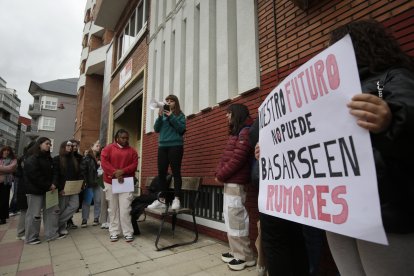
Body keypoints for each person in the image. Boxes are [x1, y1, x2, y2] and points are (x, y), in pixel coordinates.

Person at [325, 19, 414, 276]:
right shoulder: (333, 92)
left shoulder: (392, 78)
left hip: (385, 212)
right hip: (339, 209)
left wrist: (390, 119)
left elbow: (407, 115)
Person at [215, 103, 256, 271]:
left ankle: (246, 257)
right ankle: (235, 251)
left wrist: (221, 174)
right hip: (230, 181)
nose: (226, 116)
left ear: (236, 114)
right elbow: (227, 156)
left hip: (236, 182)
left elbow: (237, 159)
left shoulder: (245, 132)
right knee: (231, 218)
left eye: (229, 113)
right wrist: (219, 172)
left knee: (237, 220)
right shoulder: (237, 132)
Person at [147, 94, 186, 210]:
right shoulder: (163, 115)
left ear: (176, 103)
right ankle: (162, 200)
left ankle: (177, 199)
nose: (168, 102)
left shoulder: (180, 115)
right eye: (167, 101)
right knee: (161, 174)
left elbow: (181, 129)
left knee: (176, 172)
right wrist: (159, 117)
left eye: (171, 101)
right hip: (162, 147)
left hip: (176, 146)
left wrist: (171, 117)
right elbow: (156, 129)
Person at [100, 129, 138, 242]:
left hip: (126, 183)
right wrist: (115, 173)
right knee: (113, 208)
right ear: (117, 138)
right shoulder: (108, 148)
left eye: (127, 138)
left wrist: (122, 171)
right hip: (110, 182)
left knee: (125, 208)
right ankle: (114, 231)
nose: (125, 140)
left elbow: (134, 165)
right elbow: (104, 163)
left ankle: (127, 232)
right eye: (123, 138)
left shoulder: (132, 151)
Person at [24, 137, 61, 244]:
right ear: (39, 144)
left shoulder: (49, 158)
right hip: (35, 191)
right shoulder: (32, 158)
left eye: (50, 144)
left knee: (52, 213)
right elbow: (34, 176)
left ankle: (51, 234)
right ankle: (31, 238)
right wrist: (49, 185)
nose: (49, 145)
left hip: (50, 190)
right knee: (34, 215)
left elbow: (55, 172)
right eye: (47, 143)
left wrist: (54, 183)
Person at [53, 140, 82, 236]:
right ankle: (61, 227)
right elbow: (56, 174)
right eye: (68, 146)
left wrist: (80, 184)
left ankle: (56, 224)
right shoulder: (57, 159)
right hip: (63, 188)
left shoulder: (74, 159)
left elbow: (77, 173)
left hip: (73, 187)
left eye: (71, 146)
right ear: (63, 147)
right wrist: (60, 188)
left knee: (74, 205)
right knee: (62, 208)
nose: (71, 147)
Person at [15, 141, 36, 240]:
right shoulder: (26, 159)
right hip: (24, 187)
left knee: (28, 211)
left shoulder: (27, 158)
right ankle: (21, 232)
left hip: (27, 187)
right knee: (25, 211)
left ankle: (25, 231)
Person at [80, 140, 102, 227]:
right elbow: (83, 171)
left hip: (99, 182)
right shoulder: (87, 158)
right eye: (97, 145)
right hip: (89, 183)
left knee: (98, 201)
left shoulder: (101, 157)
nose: (99, 146)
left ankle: (96, 218)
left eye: (99, 145)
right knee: (87, 201)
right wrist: (84, 182)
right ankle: (84, 219)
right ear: (92, 147)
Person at [67, 139, 83, 229]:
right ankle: (67, 221)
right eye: (73, 145)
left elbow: (82, 171)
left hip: (77, 183)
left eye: (76, 146)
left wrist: (82, 183)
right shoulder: (66, 157)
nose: (75, 147)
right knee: (66, 204)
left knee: (75, 205)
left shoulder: (80, 157)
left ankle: (68, 220)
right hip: (67, 183)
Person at [0, 146, 17, 224]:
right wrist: (5, 169)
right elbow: (7, 169)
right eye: (5, 150)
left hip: (6, 183)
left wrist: (2, 169)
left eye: (8, 150)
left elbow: (10, 169)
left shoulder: (13, 160)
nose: (6, 152)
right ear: (2, 151)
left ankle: (3, 218)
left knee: (4, 200)